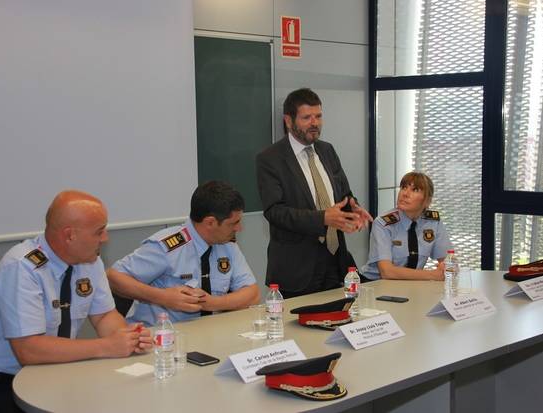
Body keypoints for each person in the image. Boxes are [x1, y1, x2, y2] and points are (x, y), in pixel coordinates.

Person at [0, 190, 151, 413]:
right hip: (1, 383)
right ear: (69, 236)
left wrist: (128, 337)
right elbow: (28, 349)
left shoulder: (89, 261)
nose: (105, 238)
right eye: (99, 231)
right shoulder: (22, 267)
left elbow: (104, 316)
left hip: (57, 371)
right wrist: (107, 346)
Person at [256, 88, 373, 298]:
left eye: (318, 116)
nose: (314, 123)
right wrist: (323, 218)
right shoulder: (270, 159)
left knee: (340, 324)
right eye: (306, 117)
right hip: (296, 270)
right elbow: (274, 212)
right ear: (288, 121)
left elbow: (343, 193)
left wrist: (352, 208)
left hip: (335, 262)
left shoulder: (327, 150)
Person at [107, 181, 260, 326]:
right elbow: (114, 277)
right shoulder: (167, 246)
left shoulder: (227, 245)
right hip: (161, 337)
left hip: (208, 333)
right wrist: (164, 297)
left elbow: (252, 294)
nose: (239, 228)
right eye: (233, 223)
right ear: (210, 223)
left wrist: (211, 303)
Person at [362, 172, 452, 280]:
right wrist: (433, 275)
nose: (405, 194)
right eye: (404, 188)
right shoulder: (383, 223)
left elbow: (448, 260)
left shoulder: (433, 222)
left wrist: (447, 267)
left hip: (411, 285)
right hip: (375, 285)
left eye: (415, 190)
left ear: (427, 201)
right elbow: (387, 272)